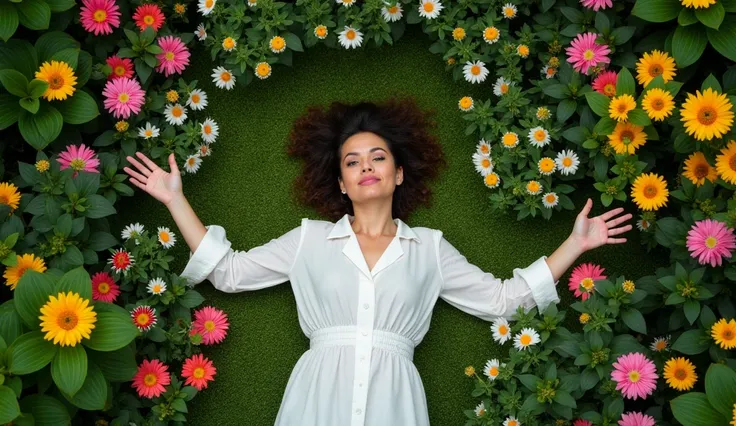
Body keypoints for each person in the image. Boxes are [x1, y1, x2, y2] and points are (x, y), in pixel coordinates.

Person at [122, 96, 633, 426]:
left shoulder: (429, 248)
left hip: (396, 400)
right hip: (315, 397)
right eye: (352, 161)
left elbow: (504, 302)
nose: (366, 166)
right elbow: (227, 272)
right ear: (341, 183)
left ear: (399, 174)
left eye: (378, 157)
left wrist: (575, 245)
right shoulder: (308, 239)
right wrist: (174, 200)